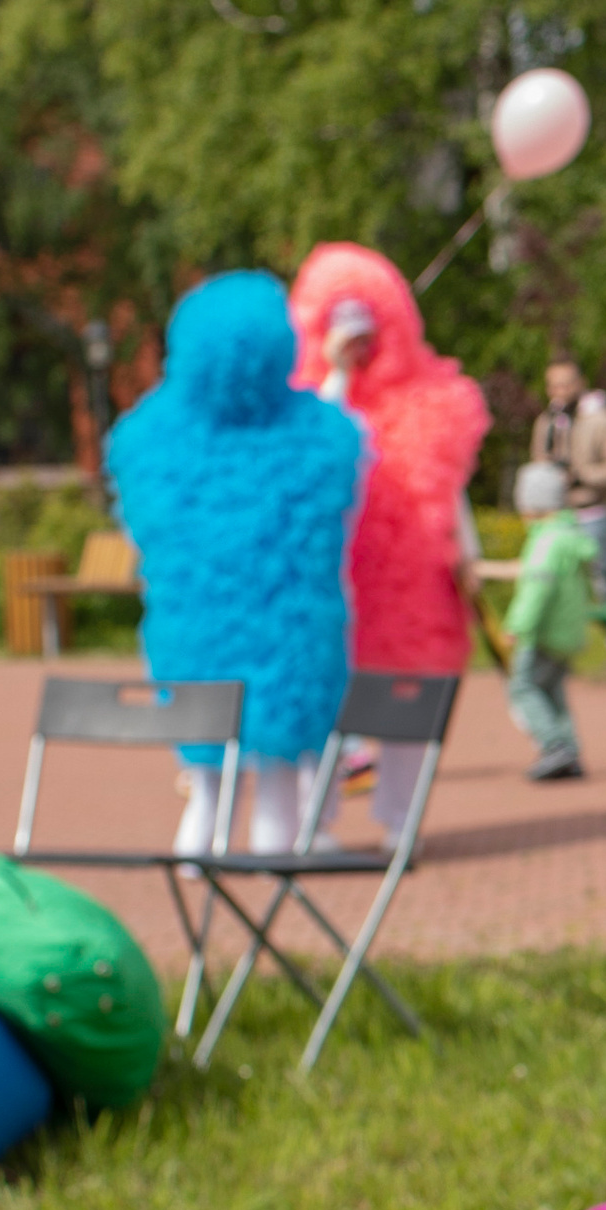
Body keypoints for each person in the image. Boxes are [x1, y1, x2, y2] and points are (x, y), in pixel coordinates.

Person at [106, 272, 364, 857]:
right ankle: (267, 895)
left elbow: (141, 529)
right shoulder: (324, 436)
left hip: (192, 637)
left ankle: (201, 902)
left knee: (206, 787)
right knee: (277, 781)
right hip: (294, 638)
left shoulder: (147, 439)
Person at [287, 246, 488, 843]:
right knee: (323, 705)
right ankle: (314, 823)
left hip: (411, 583)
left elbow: (447, 485)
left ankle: (400, 819)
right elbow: (315, 459)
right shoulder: (309, 403)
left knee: (409, 699)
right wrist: (337, 375)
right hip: (332, 581)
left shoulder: (431, 403)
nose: (360, 346)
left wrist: (466, 555)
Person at [497, 459, 595, 783]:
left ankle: (554, 746)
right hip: (567, 632)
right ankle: (570, 751)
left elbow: (536, 589)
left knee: (523, 686)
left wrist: (517, 626)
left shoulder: (546, 541)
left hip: (543, 633)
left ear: (534, 505)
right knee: (553, 691)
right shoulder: (568, 535)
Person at [528, 356, 606, 658]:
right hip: (556, 516)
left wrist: (582, 473)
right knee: (551, 584)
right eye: (554, 385)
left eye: (566, 383)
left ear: (580, 384)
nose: (560, 390)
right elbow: (538, 463)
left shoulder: (601, 419)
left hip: (591, 512)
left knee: (604, 583)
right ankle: (553, 651)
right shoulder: (547, 422)